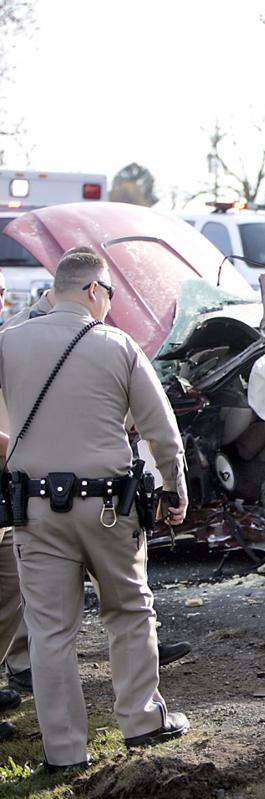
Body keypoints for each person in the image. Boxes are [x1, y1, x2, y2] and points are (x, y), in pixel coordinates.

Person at [0, 247, 190, 771]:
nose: (111, 304)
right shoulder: (118, 345)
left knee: (49, 631)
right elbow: (161, 430)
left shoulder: (7, 344)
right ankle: (142, 720)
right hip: (109, 509)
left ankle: (63, 753)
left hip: (33, 511)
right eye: (110, 294)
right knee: (129, 611)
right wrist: (175, 486)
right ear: (93, 291)